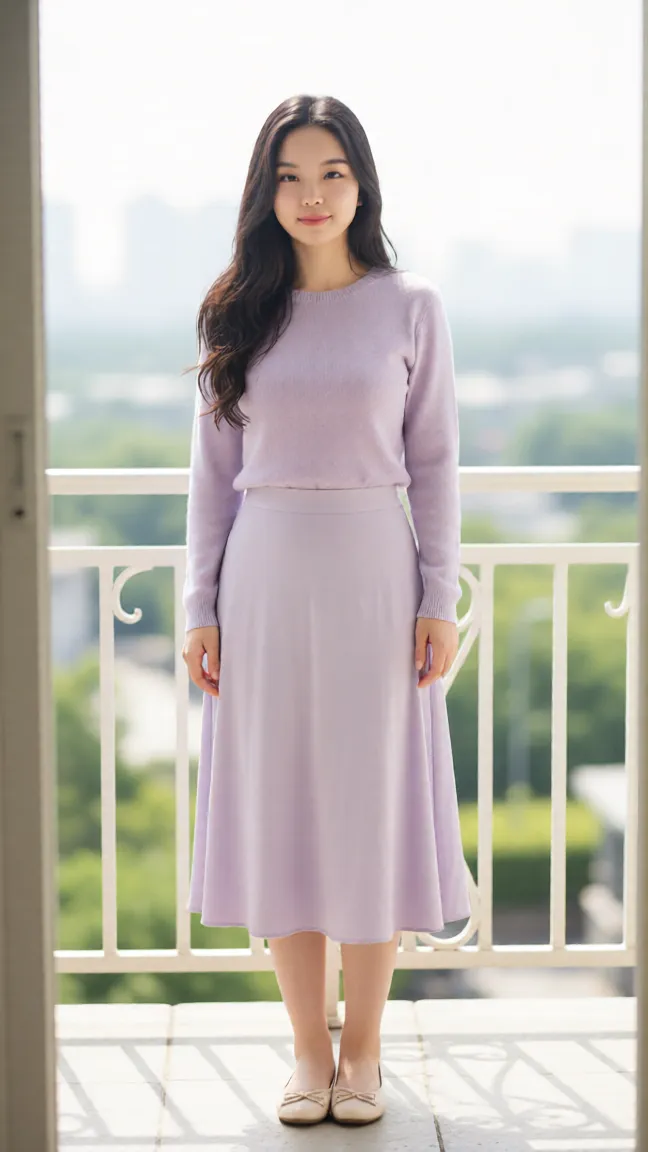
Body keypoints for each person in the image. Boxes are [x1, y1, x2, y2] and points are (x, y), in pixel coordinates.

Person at [181, 93, 472, 1128]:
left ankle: (365, 1051)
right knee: (286, 818)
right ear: (265, 193)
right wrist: (199, 604)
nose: (312, 194)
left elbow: (435, 462)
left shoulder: (411, 305)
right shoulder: (236, 312)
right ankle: (308, 1051)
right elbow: (210, 476)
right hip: (262, 581)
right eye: (291, 176)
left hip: (375, 580)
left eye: (332, 173)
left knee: (369, 816)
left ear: (361, 184)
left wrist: (438, 595)